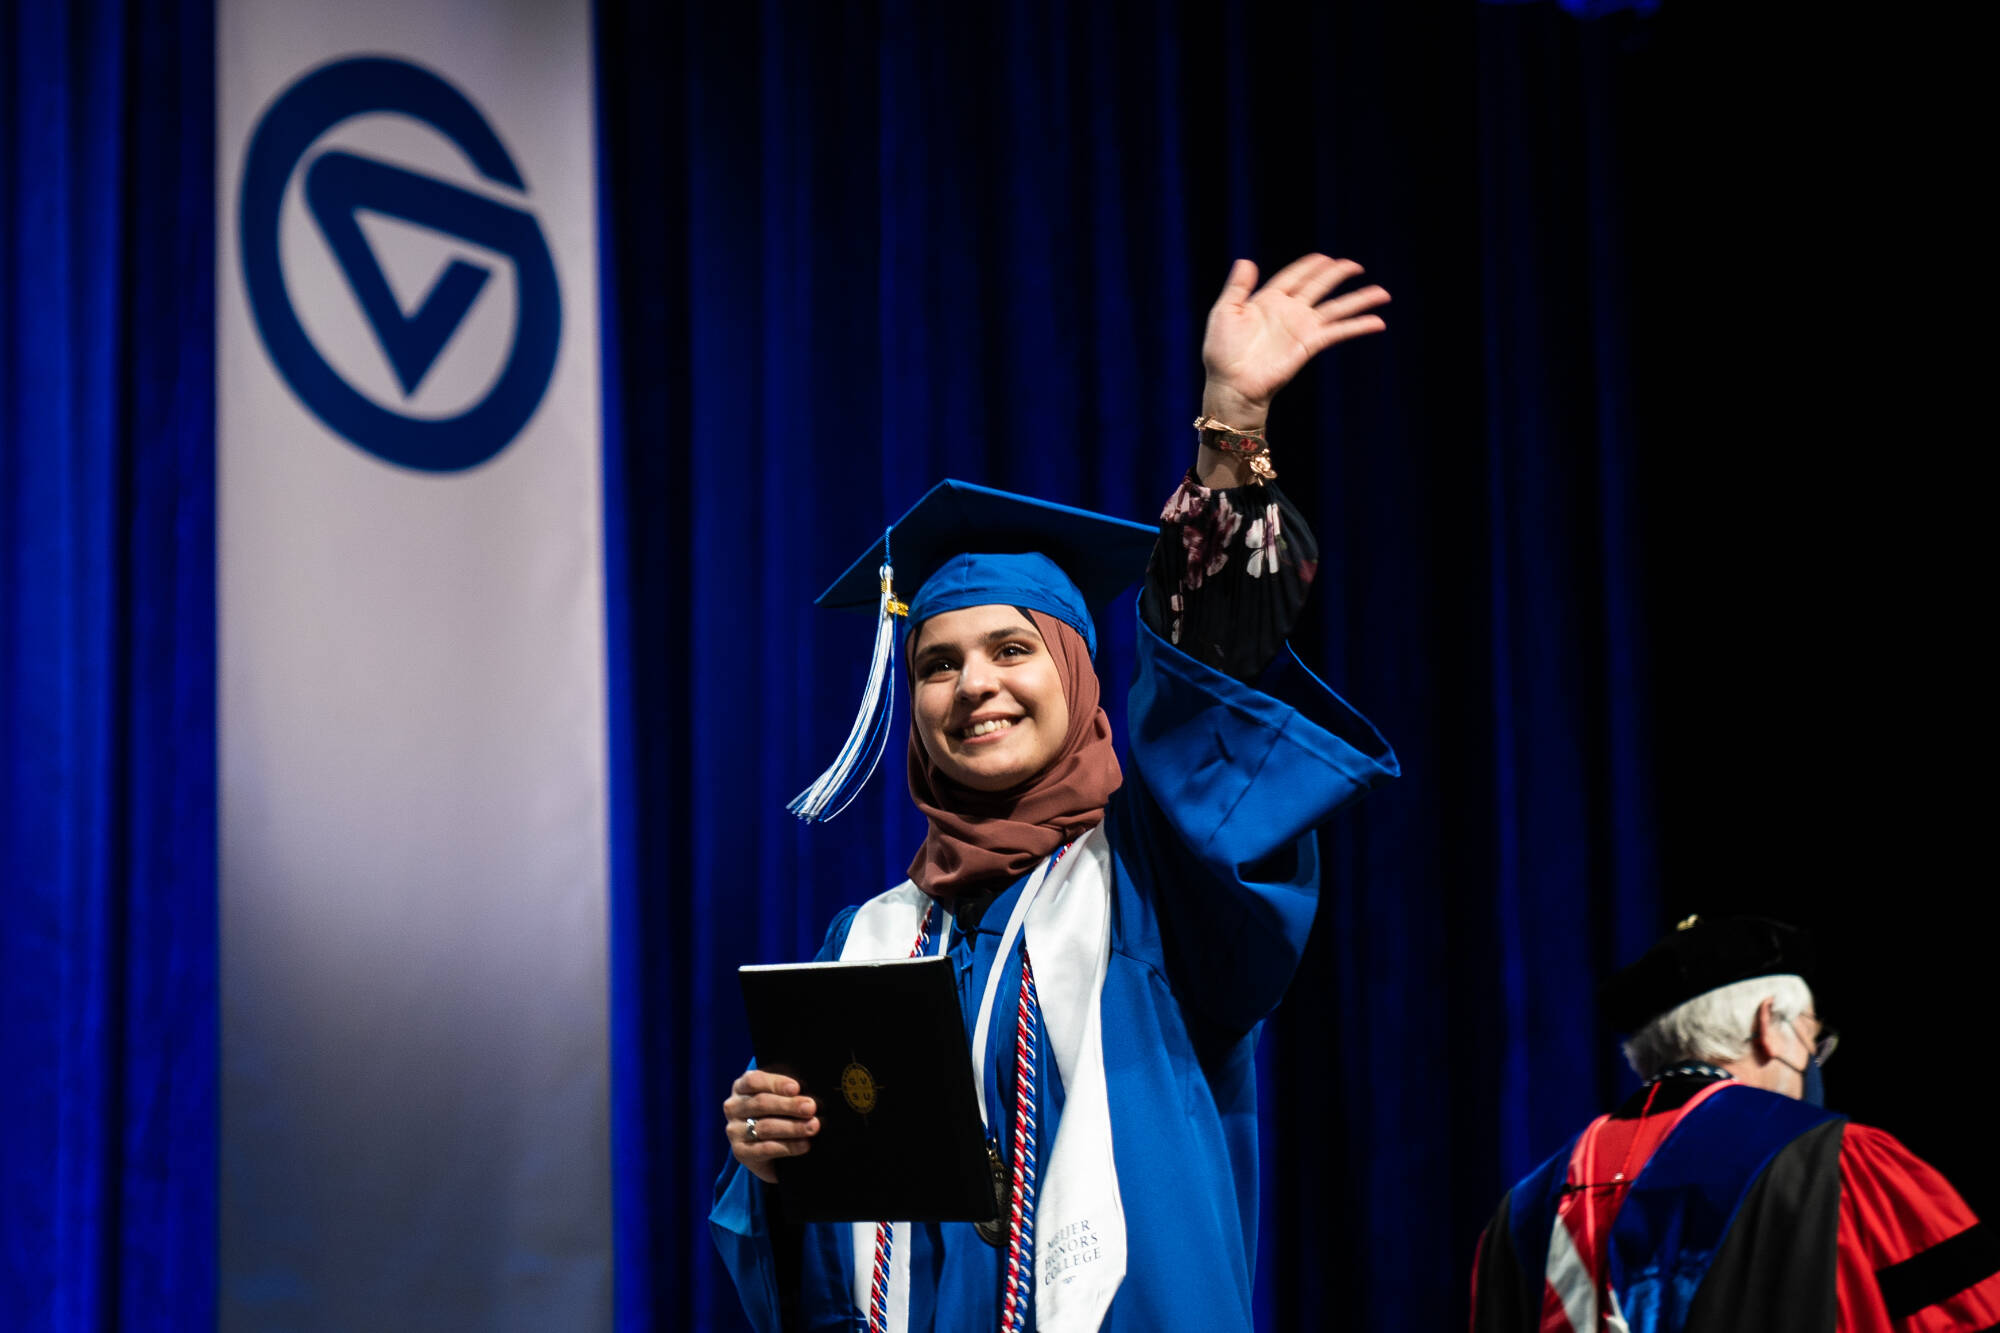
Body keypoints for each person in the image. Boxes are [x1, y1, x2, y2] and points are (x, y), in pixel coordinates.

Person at [709, 254, 1400, 1332]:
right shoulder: (872, 944)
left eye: (1009, 649)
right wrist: (771, 1158)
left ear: (1079, 678)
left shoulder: (1158, 887)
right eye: (938, 665)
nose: (972, 684)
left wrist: (1230, 423)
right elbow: (808, 1272)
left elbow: (1204, 678)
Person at [1470, 915, 2000, 1331]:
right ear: (1769, 1023)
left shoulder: (1527, 1208)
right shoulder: (1844, 1165)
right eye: (1815, 1036)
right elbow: (1972, 1314)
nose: (1814, 1058)